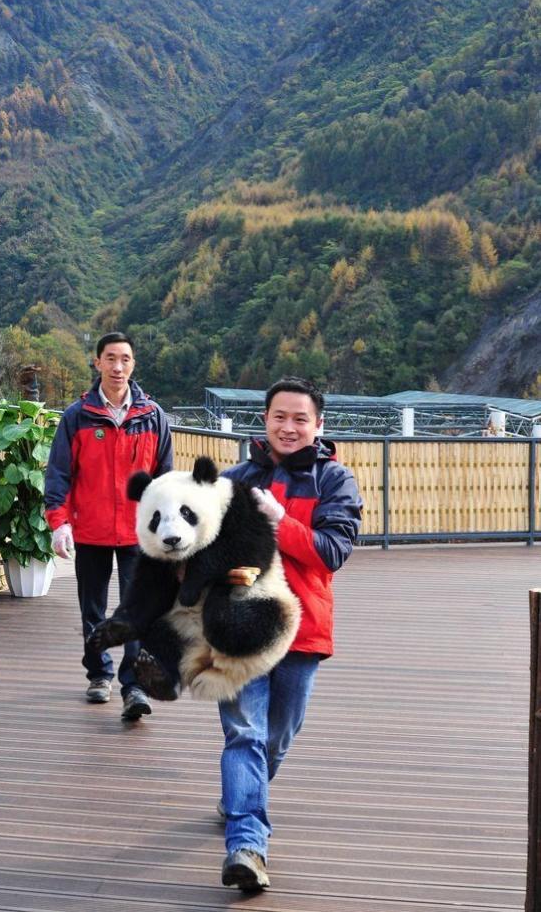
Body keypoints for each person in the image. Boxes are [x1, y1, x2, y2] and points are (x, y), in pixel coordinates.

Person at [218, 376, 362, 891]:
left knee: (276, 737)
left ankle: (246, 789)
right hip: (240, 630)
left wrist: (279, 521)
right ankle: (247, 844)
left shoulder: (335, 481)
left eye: (301, 418)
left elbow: (332, 552)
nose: (289, 427)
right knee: (244, 735)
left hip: (302, 629)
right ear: (265, 420)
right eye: (280, 416)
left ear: (318, 426)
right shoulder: (234, 478)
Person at [44, 331, 173, 721]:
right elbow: (59, 474)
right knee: (93, 608)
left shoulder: (152, 416)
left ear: (133, 365)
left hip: (140, 534)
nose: (118, 367)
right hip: (92, 529)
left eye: (126, 359)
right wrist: (59, 523)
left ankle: (133, 685)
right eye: (111, 358)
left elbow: (165, 477)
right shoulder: (77, 416)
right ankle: (99, 674)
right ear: (97, 362)